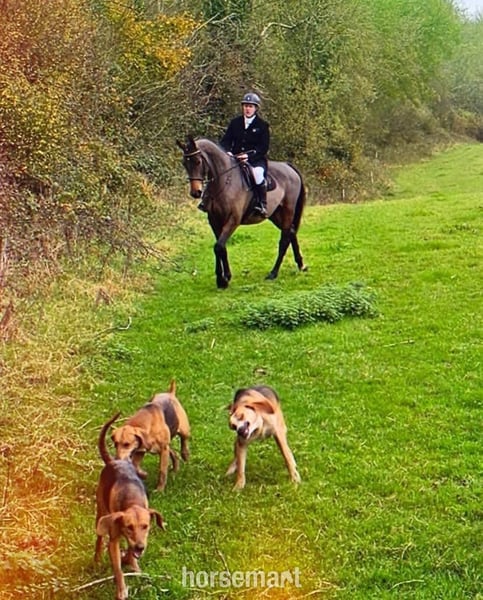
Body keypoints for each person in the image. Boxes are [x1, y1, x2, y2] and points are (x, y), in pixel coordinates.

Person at [218, 91, 270, 217]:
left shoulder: (262, 125)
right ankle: (207, 200)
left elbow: (263, 147)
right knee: (218, 172)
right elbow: (225, 141)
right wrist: (228, 152)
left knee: (257, 175)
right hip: (234, 159)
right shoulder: (235, 123)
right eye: (246, 106)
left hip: (254, 160)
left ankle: (262, 204)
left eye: (250, 106)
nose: (247, 109)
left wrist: (248, 156)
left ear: (255, 108)